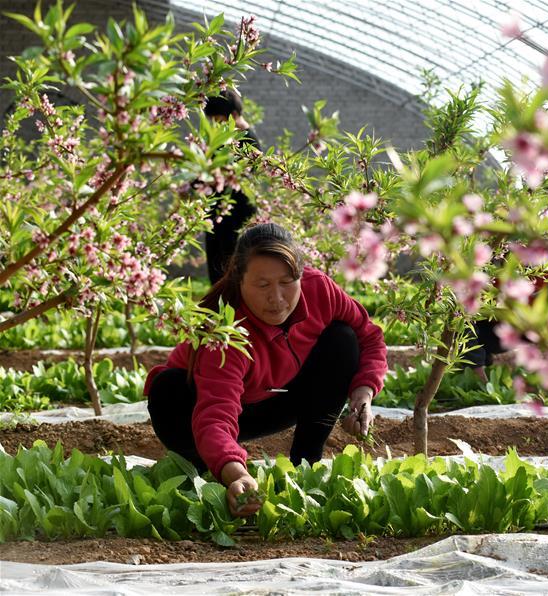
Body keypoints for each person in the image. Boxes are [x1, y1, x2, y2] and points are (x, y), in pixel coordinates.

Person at [144, 223, 387, 517]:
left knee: (343, 339)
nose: (277, 298)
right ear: (239, 281)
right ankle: (198, 465)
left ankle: (306, 466)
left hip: (276, 398)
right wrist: (236, 473)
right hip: (194, 411)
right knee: (167, 389)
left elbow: (369, 336)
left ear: (300, 274)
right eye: (263, 285)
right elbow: (215, 414)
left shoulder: (319, 289)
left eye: (287, 282)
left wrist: (363, 393)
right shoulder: (225, 331)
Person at [464, 259, 548, 380]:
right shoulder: (481, 267)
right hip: (496, 328)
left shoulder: (545, 256)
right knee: (468, 325)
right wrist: (475, 365)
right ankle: (471, 368)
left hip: (532, 321)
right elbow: (463, 319)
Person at [203, 89, 261, 284]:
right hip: (217, 215)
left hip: (235, 217)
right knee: (218, 272)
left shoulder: (247, 140)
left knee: (232, 272)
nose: (216, 126)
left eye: (219, 121)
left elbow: (239, 177)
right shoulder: (225, 138)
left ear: (234, 115)